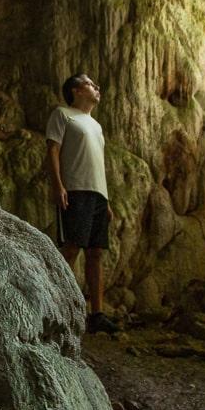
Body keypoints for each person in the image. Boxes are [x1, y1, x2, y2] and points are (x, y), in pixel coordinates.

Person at [45, 73, 119, 335]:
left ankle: (97, 314)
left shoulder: (95, 125)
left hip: (97, 195)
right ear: (76, 90)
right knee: (71, 248)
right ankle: (56, 306)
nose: (96, 87)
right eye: (90, 84)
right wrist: (58, 185)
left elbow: (97, 163)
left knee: (96, 253)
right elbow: (53, 149)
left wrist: (106, 200)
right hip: (75, 191)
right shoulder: (62, 114)